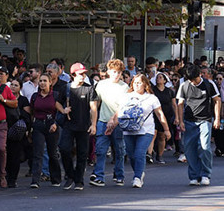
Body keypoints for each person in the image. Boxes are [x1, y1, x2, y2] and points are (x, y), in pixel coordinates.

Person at [108, 74, 170, 188]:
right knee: (131, 155)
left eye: (139, 82)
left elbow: (159, 114)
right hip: (128, 129)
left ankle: (137, 177)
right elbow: (119, 112)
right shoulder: (126, 97)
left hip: (146, 130)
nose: (137, 85)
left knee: (139, 153)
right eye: (134, 82)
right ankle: (139, 172)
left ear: (145, 84)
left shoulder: (151, 98)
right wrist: (112, 124)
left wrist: (166, 129)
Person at [176, 63, 221, 186]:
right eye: (190, 80)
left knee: (204, 147)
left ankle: (206, 174)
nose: (193, 82)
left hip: (205, 120)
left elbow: (217, 100)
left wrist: (216, 119)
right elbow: (180, 104)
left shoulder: (209, 84)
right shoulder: (184, 86)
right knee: (190, 150)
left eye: (195, 79)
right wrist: (180, 121)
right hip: (189, 121)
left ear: (200, 74)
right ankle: (194, 176)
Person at [58, 63, 98, 190]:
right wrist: (63, 110)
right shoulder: (66, 88)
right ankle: (70, 175)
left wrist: (93, 124)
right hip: (69, 125)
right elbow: (57, 103)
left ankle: (79, 180)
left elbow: (93, 108)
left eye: (84, 73)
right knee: (64, 149)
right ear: (73, 75)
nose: (83, 76)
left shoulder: (89, 89)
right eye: (80, 74)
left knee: (82, 153)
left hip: (84, 125)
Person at [90, 58, 129, 187]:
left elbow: (123, 106)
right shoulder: (101, 85)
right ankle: (99, 175)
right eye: (114, 71)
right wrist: (94, 122)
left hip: (119, 122)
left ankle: (119, 174)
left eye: (119, 72)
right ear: (108, 71)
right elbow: (96, 103)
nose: (116, 74)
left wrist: (114, 120)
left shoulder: (125, 87)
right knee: (100, 150)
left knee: (119, 150)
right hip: (103, 121)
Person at [26, 74, 67, 188]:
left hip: (51, 124)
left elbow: (60, 112)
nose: (42, 83)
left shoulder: (55, 95)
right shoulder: (35, 96)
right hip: (38, 124)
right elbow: (32, 111)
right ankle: (35, 180)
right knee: (38, 153)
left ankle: (56, 179)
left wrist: (55, 123)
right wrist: (31, 128)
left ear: (50, 82)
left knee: (52, 153)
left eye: (45, 81)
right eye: (41, 81)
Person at [152, 72, 177, 163]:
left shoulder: (170, 91)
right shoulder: (152, 90)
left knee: (162, 136)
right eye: (157, 77)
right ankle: (149, 154)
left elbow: (174, 105)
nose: (158, 79)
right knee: (153, 133)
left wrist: (176, 117)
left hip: (166, 115)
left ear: (165, 80)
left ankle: (160, 155)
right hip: (154, 115)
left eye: (160, 77)